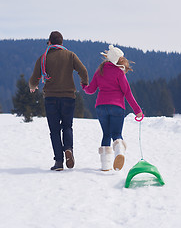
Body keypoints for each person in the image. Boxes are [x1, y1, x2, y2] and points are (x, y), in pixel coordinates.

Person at [29, 31, 89, 171]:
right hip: (68, 97)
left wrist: (33, 87)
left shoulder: (43, 58)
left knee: (54, 130)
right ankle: (68, 149)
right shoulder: (70, 55)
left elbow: (34, 79)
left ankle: (59, 162)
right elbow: (83, 71)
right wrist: (84, 83)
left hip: (50, 98)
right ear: (61, 43)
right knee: (67, 126)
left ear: (50, 42)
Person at [82, 45, 143, 171]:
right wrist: (137, 110)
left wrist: (84, 86)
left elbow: (91, 90)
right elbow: (128, 93)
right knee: (116, 134)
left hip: (101, 107)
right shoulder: (119, 73)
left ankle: (105, 166)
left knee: (106, 134)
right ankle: (119, 150)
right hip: (117, 107)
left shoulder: (100, 71)